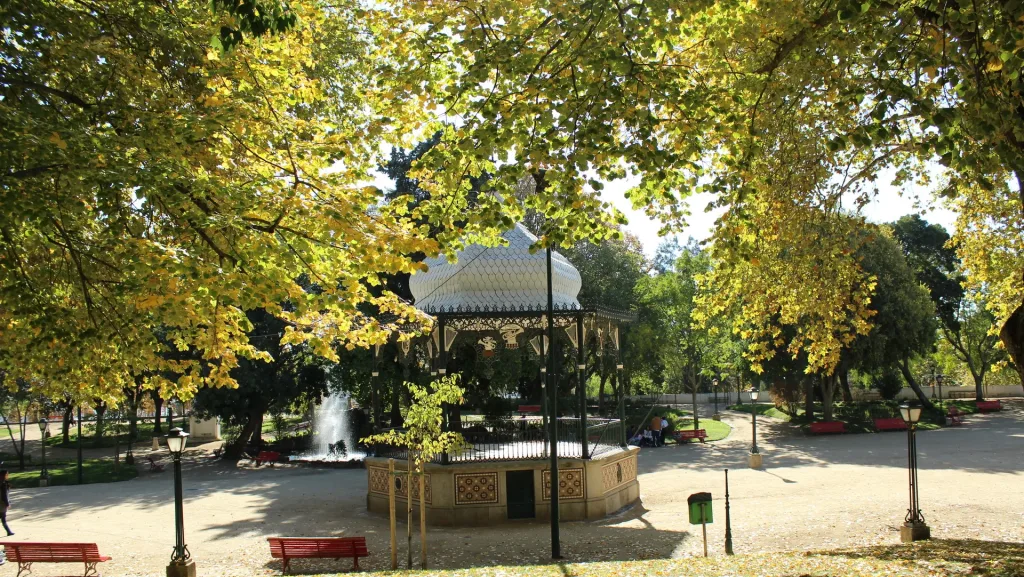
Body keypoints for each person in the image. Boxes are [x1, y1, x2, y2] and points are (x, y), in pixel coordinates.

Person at [1, 469, 13, 536]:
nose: (8, 476)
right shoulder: (3, 484)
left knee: (3, 519)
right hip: (2, 504)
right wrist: (7, 503)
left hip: (2, 503)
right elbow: (4, 495)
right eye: (6, 474)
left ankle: (9, 532)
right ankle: (9, 532)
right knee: (3, 518)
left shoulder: (3, 483)